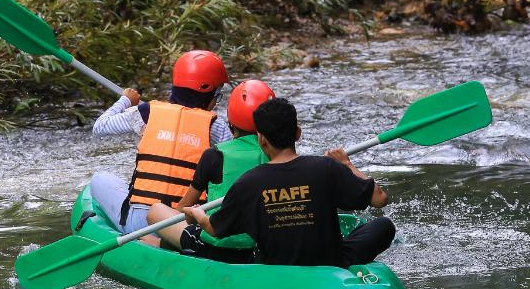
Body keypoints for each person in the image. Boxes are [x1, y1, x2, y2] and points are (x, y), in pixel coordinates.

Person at [180, 98, 396, 268]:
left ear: (261, 139)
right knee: (384, 226)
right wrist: (347, 165)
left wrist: (199, 215)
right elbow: (380, 199)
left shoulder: (249, 182)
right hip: (329, 261)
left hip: (275, 266)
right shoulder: (327, 168)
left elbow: (215, 229)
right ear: (298, 133)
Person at [89, 50, 231, 234]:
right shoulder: (216, 125)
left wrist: (125, 100)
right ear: (205, 90)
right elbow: (230, 171)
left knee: (99, 178)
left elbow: (99, 127)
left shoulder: (146, 113)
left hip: (138, 224)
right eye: (217, 95)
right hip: (185, 227)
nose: (216, 101)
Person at [146, 79, 277, 263]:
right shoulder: (279, 154)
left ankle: (158, 247)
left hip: (216, 248)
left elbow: (183, 209)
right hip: (261, 249)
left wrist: (195, 213)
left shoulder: (215, 155)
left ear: (231, 119)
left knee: (156, 211)